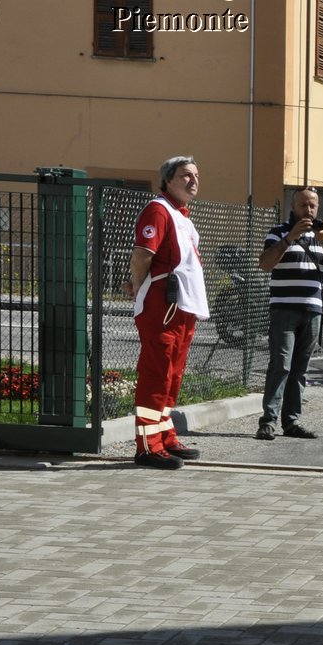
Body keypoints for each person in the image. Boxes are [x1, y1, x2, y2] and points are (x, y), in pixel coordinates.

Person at [123, 155, 210, 468]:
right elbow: (142, 254)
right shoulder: (158, 210)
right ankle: (147, 446)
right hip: (164, 304)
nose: (193, 180)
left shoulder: (180, 215)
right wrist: (137, 285)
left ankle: (165, 436)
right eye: (186, 175)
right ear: (168, 180)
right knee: (157, 373)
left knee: (172, 375)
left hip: (181, 306)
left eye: (196, 175)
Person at [256, 187, 323, 440]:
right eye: (303, 205)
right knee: (280, 365)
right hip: (284, 309)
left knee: (300, 369)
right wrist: (289, 239)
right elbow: (265, 264)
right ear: (293, 207)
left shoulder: (322, 237)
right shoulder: (277, 233)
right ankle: (268, 422)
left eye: (313, 206)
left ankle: (291, 422)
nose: (308, 210)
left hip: (313, 310)